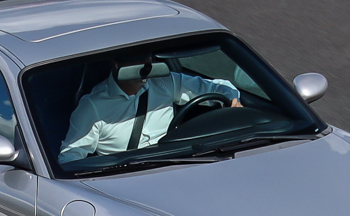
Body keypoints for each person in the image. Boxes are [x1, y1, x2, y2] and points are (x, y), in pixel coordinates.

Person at [58, 60, 240, 160]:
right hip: (129, 180)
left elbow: (219, 88)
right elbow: (71, 155)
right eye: (136, 60)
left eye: (148, 60)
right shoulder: (93, 106)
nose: (145, 66)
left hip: (179, 163)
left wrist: (233, 100)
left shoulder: (164, 83)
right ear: (116, 64)